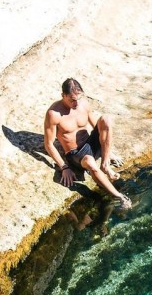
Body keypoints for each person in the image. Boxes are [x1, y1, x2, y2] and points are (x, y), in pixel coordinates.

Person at [44, 78, 132, 209]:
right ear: (63, 96)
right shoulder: (54, 114)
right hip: (76, 153)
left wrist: (107, 151)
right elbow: (48, 144)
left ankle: (105, 164)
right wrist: (64, 167)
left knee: (106, 119)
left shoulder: (83, 104)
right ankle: (120, 197)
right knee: (90, 162)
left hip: (90, 143)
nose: (76, 103)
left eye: (78, 98)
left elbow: (99, 126)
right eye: (72, 100)